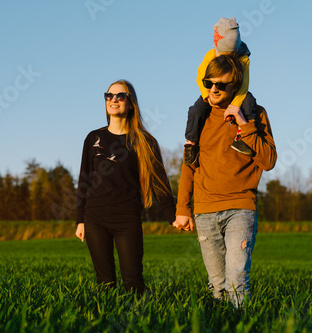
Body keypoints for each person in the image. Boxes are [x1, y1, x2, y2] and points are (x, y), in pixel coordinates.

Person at [174, 55, 277, 307]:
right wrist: (182, 209)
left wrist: (245, 124)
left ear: (236, 85)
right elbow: (190, 165)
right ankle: (221, 323)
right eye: (209, 83)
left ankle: (242, 322)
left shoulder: (254, 114)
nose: (213, 89)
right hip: (205, 211)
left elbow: (269, 160)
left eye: (221, 85)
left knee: (237, 279)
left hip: (241, 208)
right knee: (217, 284)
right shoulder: (200, 118)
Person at [75, 80, 176, 295]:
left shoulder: (145, 141)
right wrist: (80, 220)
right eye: (109, 95)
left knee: (134, 283)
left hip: (127, 219)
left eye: (120, 96)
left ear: (131, 104)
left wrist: (174, 216)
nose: (113, 100)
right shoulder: (94, 138)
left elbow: (159, 182)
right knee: (105, 285)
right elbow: (84, 179)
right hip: (95, 218)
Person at [185, 17, 256, 166]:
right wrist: (207, 96)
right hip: (210, 93)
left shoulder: (243, 59)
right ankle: (191, 142)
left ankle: (243, 137)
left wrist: (235, 105)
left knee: (249, 102)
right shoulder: (211, 55)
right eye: (221, 56)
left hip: (235, 91)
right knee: (196, 111)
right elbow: (200, 76)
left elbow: (244, 85)